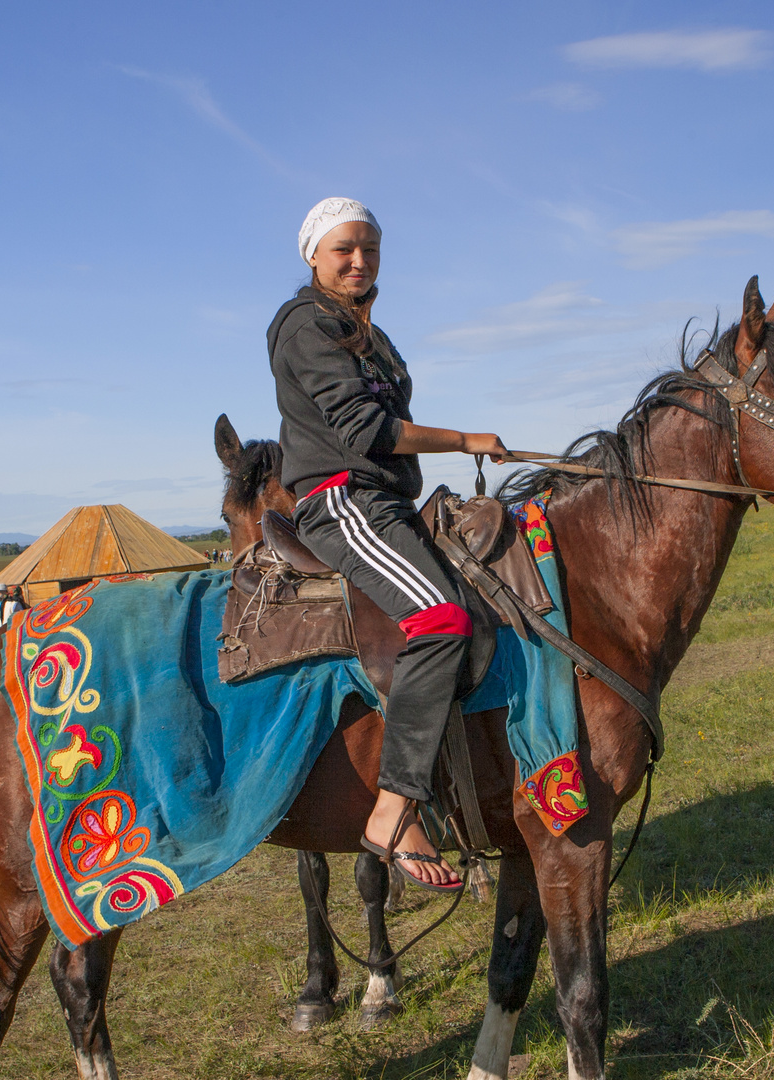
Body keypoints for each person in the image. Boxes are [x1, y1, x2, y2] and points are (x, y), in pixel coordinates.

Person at [270, 197, 506, 892]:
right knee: (440, 618)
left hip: (386, 499)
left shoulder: (365, 331)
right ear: (313, 254)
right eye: (344, 247)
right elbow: (366, 430)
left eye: (370, 247)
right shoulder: (304, 326)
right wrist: (466, 439)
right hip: (342, 497)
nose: (359, 259)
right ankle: (395, 809)